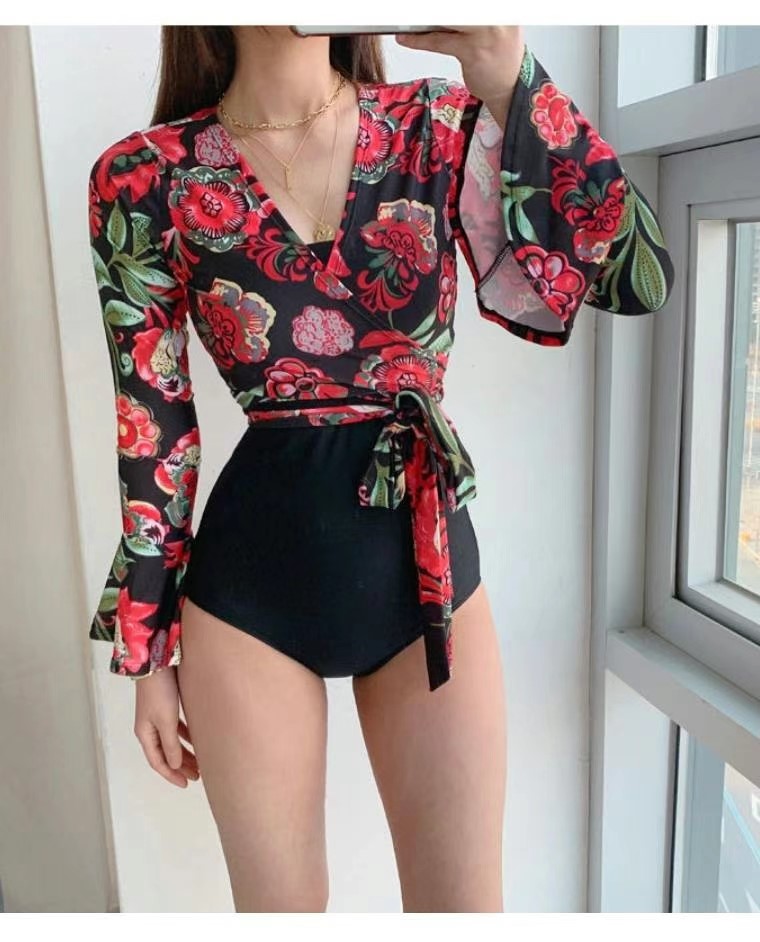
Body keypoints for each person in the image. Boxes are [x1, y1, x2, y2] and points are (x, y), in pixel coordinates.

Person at [86, 25, 674, 913]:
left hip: (427, 578)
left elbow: (638, 278)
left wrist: (510, 79)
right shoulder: (141, 177)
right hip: (247, 599)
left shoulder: (440, 125)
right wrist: (147, 652)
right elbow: (153, 428)